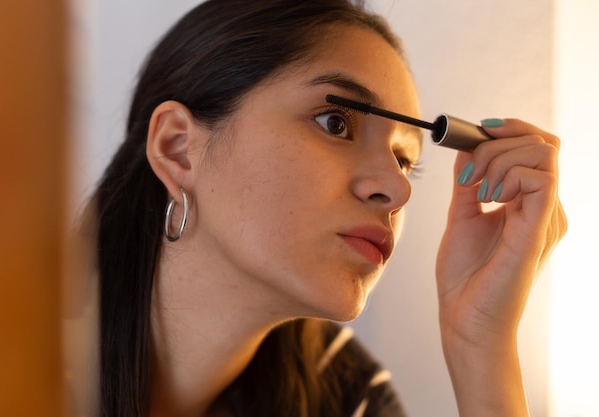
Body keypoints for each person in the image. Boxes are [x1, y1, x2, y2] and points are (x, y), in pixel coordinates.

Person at [88, 0, 567, 416]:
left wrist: (481, 345)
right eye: (335, 122)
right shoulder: (19, 359)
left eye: (404, 161)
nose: (397, 192)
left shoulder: (346, 395)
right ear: (177, 149)